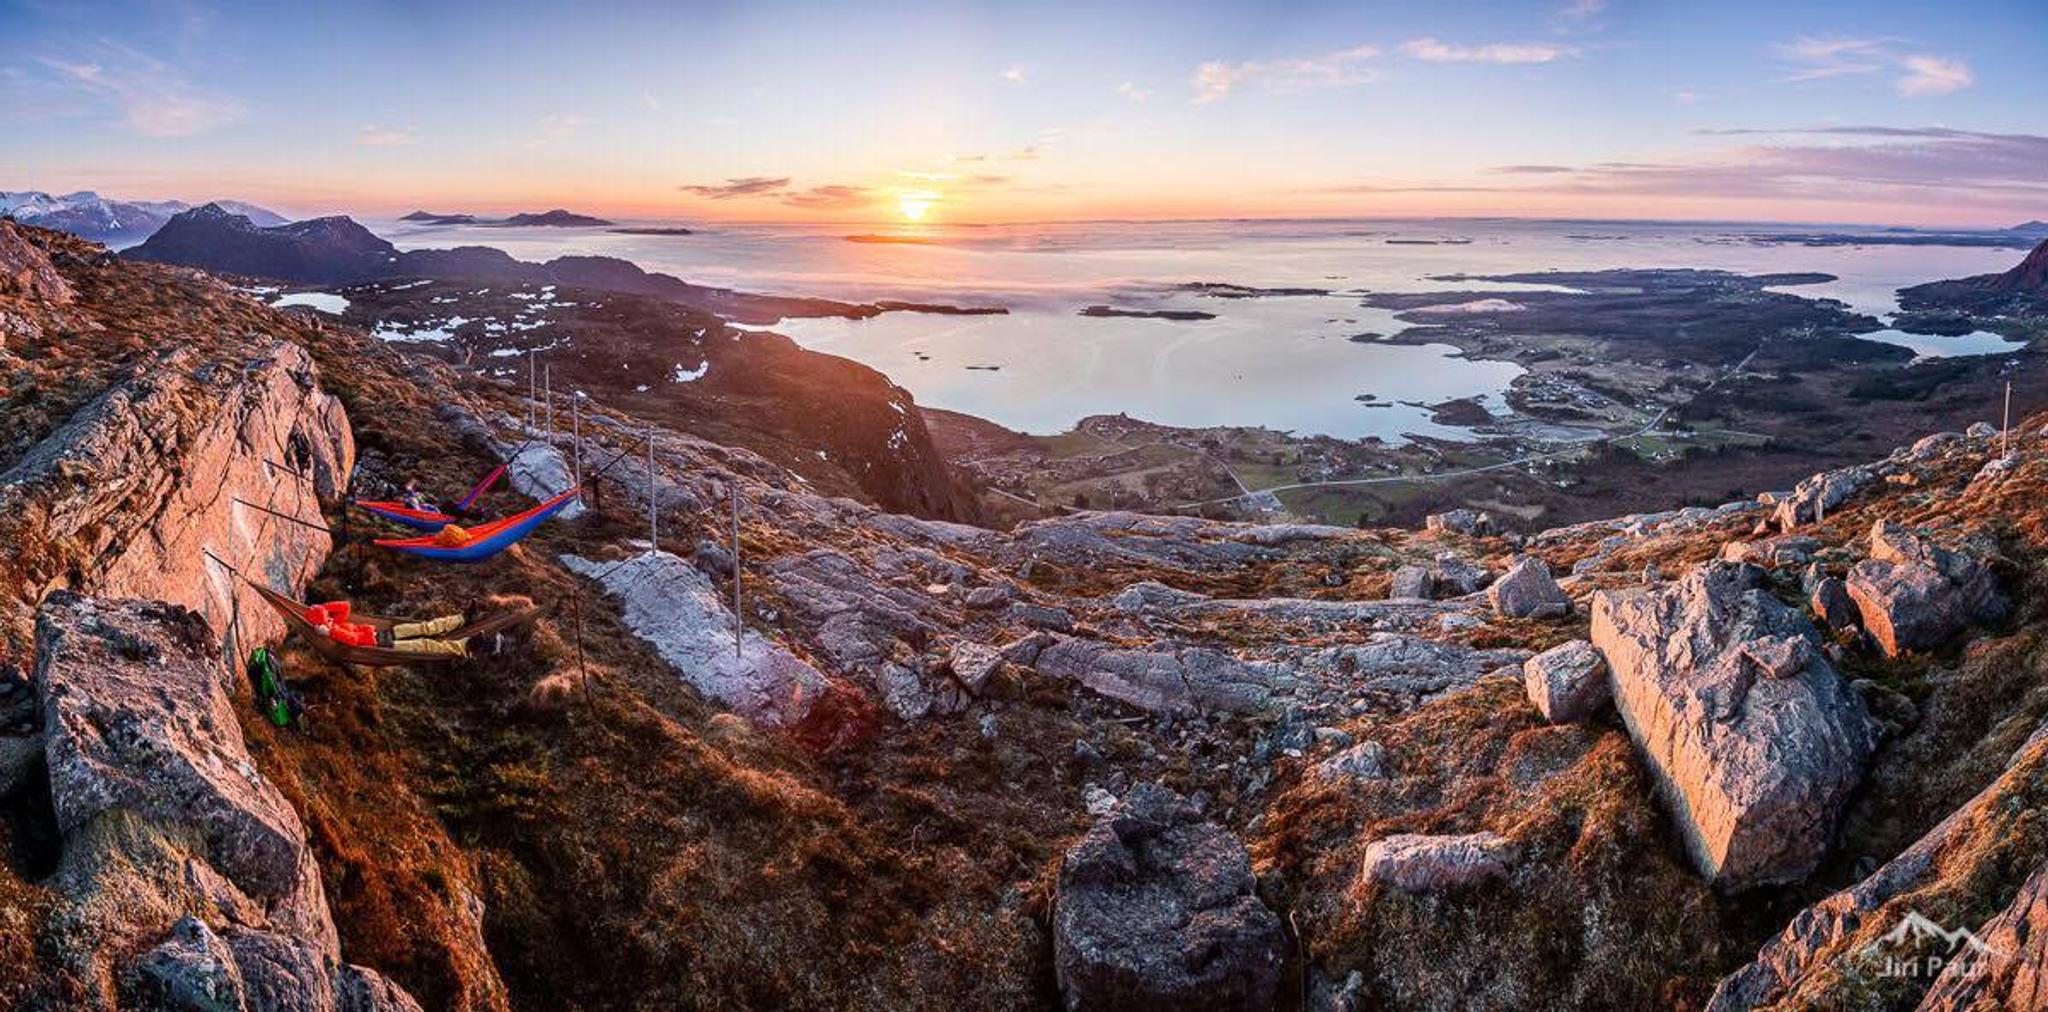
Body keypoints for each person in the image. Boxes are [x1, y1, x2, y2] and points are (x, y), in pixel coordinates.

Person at [307, 600, 469, 657]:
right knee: (423, 645)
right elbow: (353, 640)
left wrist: (324, 608)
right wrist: (329, 632)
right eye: (325, 619)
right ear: (319, 625)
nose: (329, 619)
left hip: (383, 634)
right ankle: (462, 647)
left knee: (423, 627)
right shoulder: (331, 634)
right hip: (381, 647)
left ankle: (460, 619)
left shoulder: (335, 622)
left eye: (328, 616)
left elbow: (345, 606)